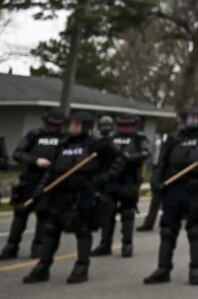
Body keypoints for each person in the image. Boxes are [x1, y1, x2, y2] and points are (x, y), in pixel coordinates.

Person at [22, 110, 125, 284]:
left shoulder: (97, 144)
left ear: (86, 126)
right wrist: (41, 189)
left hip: (83, 193)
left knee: (82, 230)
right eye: (71, 123)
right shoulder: (63, 144)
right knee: (51, 229)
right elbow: (51, 171)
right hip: (61, 193)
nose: (73, 127)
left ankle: (81, 266)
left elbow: (121, 159)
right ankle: (43, 266)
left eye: (77, 124)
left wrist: (102, 179)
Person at [144, 107, 198, 286]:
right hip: (173, 190)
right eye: (189, 117)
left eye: (196, 118)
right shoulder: (173, 139)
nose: (192, 121)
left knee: (195, 230)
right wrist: (156, 182)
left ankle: (195, 268)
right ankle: (163, 269)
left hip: (196, 191)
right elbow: (161, 163)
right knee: (167, 231)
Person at [2, 108, 64, 259]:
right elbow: (18, 154)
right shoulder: (34, 135)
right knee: (21, 213)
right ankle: (11, 246)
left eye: (57, 125)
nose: (53, 127)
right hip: (31, 180)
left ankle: (38, 246)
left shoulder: (65, 139)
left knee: (44, 214)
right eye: (50, 124)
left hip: (52, 182)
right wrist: (35, 161)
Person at [93, 114, 150, 258]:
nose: (125, 128)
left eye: (128, 125)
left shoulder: (139, 138)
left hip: (129, 179)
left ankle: (127, 244)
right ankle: (105, 244)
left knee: (127, 213)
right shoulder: (110, 139)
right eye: (122, 125)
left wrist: (129, 158)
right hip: (111, 180)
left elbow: (145, 153)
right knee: (107, 212)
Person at [137, 129, 167, 232]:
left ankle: (166, 222)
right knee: (156, 198)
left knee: (168, 201)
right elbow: (155, 159)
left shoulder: (171, 142)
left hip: (168, 171)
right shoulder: (158, 142)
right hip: (158, 170)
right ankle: (149, 223)